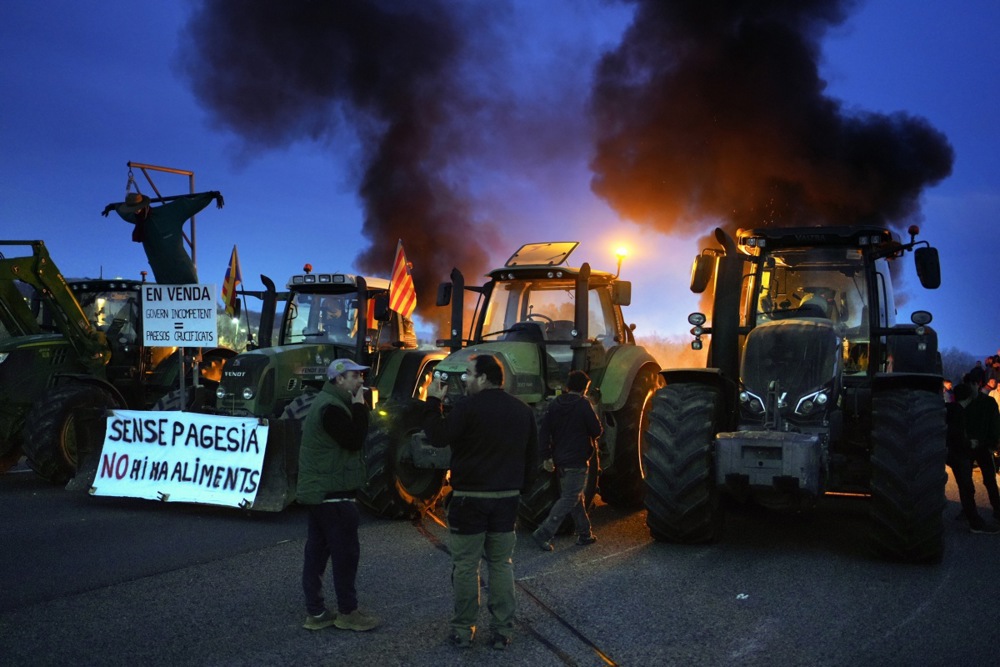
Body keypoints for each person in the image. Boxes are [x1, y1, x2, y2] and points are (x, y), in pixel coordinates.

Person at [422, 354, 538, 650]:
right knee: (501, 564)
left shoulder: (467, 409)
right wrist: (518, 489)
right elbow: (531, 459)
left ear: (484, 378)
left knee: (465, 566)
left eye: (469, 374)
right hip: (506, 499)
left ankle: (463, 630)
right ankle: (502, 631)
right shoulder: (523, 411)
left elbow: (437, 437)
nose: (465, 379)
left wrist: (432, 402)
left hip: (469, 500)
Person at [297, 358, 380, 632]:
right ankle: (348, 612)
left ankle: (317, 613)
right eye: (356, 377)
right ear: (339, 379)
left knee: (317, 554)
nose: (361, 382)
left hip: (321, 493)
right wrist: (359, 405)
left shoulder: (326, 403)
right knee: (345, 556)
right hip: (334, 495)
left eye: (361, 376)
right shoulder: (332, 408)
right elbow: (354, 439)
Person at [531, 370, 603, 551]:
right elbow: (596, 431)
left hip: (560, 460)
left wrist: (546, 456)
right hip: (577, 461)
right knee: (570, 498)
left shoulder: (554, 405)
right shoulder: (583, 405)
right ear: (585, 388)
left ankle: (585, 534)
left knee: (576, 497)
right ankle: (544, 533)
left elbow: (544, 432)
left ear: (567, 386)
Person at [102, 190, 224, 285]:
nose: (136, 212)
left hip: (182, 270)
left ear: (144, 205)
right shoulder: (137, 220)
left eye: (137, 208)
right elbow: (123, 212)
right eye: (133, 209)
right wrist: (114, 207)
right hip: (162, 275)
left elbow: (189, 204)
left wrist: (210, 196)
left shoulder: (170, 213)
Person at [946, 383, 999, 534]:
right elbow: (956, 434)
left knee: (968, 484)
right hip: (969, 449)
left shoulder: (953, 409)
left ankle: (975, 515)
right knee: (969, 485)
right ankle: (975, 519)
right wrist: (973, 443)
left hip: (971, 449)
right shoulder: (959, 411)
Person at [963, 380, 1000, 522]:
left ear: (976, 384)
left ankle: (997, 507)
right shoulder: (968, 402)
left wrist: (994, 442)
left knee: (989, 479)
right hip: (970, 445)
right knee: (966, 480)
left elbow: (995, 423)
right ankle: (968, 509)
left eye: (970, 384)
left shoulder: (988, 402)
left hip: (983, 445)